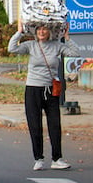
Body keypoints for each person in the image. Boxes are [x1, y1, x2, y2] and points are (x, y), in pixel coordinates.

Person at [8, 22, 80, 171]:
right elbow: (12, 48)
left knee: (54, 124)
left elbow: (75, 53)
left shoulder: (56, 46)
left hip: (51, 90)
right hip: (33, 89)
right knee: (35, 124)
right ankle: (38, 158)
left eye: (45, 29)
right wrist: (19, 33)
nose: (41, 32)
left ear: (50, 31)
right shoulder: (31, 45)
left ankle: (57, 158)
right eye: (39, 29)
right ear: (35, 31)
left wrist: (67, 37)